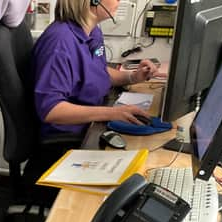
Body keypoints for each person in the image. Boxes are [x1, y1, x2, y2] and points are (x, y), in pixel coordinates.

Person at [32, 0, 163, 138]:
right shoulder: (59, 43)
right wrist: (111, 113)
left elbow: (97, 71)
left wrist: (133, 77)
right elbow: (50, 110)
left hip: (92, 124)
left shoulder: (93, 32)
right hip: (68, 138)